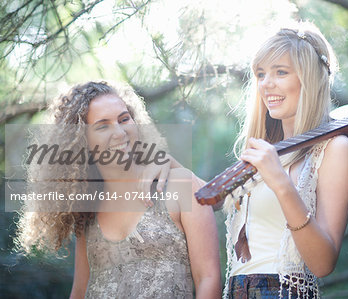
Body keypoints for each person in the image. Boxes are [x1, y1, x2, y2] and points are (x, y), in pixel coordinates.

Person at [14, 81, 221, 298]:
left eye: (124, 119)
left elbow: (208, 277)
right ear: (81, 140)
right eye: (103, 126)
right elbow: (80, 291)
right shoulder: (88, 211)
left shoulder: (179, 184)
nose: (120, 132)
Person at [223, 21, 348, 298]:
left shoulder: (334, 149)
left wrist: (282, 184)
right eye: (260, 74)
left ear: (308, 79)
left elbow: (323, 263)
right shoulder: (264, 153)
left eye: (280, 72)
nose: (266, 84)